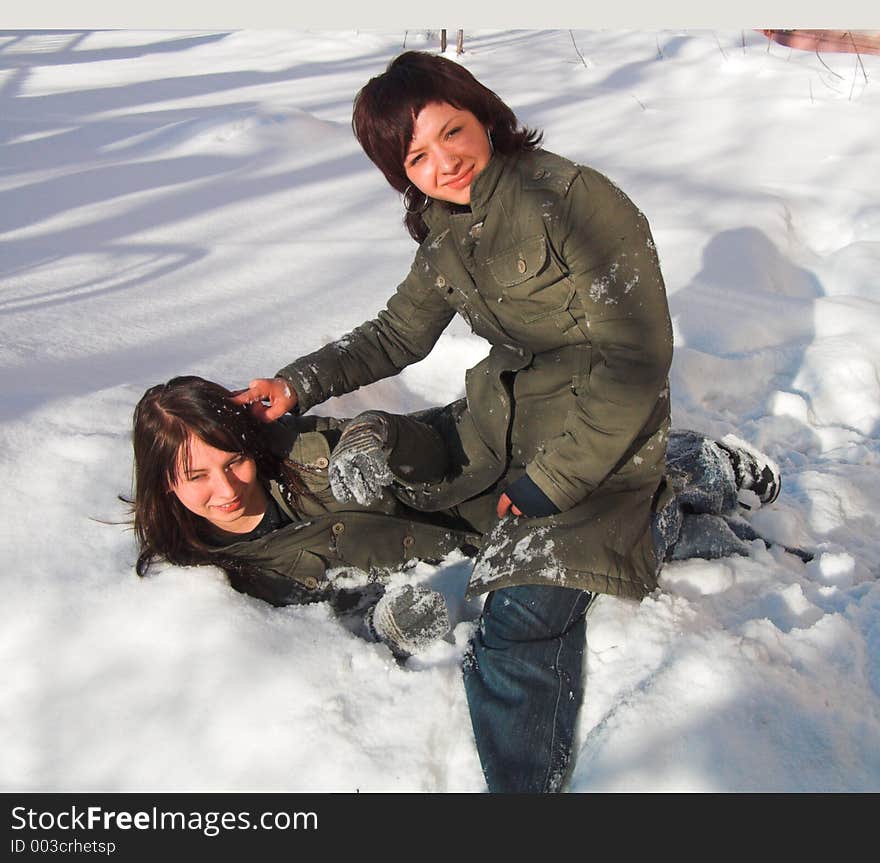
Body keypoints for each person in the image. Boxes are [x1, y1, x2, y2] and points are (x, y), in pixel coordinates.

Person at [224, 51, 780, 792]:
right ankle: (689, 472)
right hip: (503, 432)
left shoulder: (571, 200)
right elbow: (397, 333)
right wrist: (294, 385)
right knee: (439, 505)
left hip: (598, 446)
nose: (443, 161)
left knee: (518, 611)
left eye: (452, 131)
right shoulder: (447, 227)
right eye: (417, 156)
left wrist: (554, 481)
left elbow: (638, 355)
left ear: (484, 114)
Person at [131, 375, 483, 659]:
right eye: (197, 476)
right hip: (472, 594)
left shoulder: (300, 452)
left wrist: (381, 431)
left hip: (488, 512)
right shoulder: (206, 575)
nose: (227, 490)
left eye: (234, 462)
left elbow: (441, 444)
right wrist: (386, 628)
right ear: (163, 481)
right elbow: (310, 640)